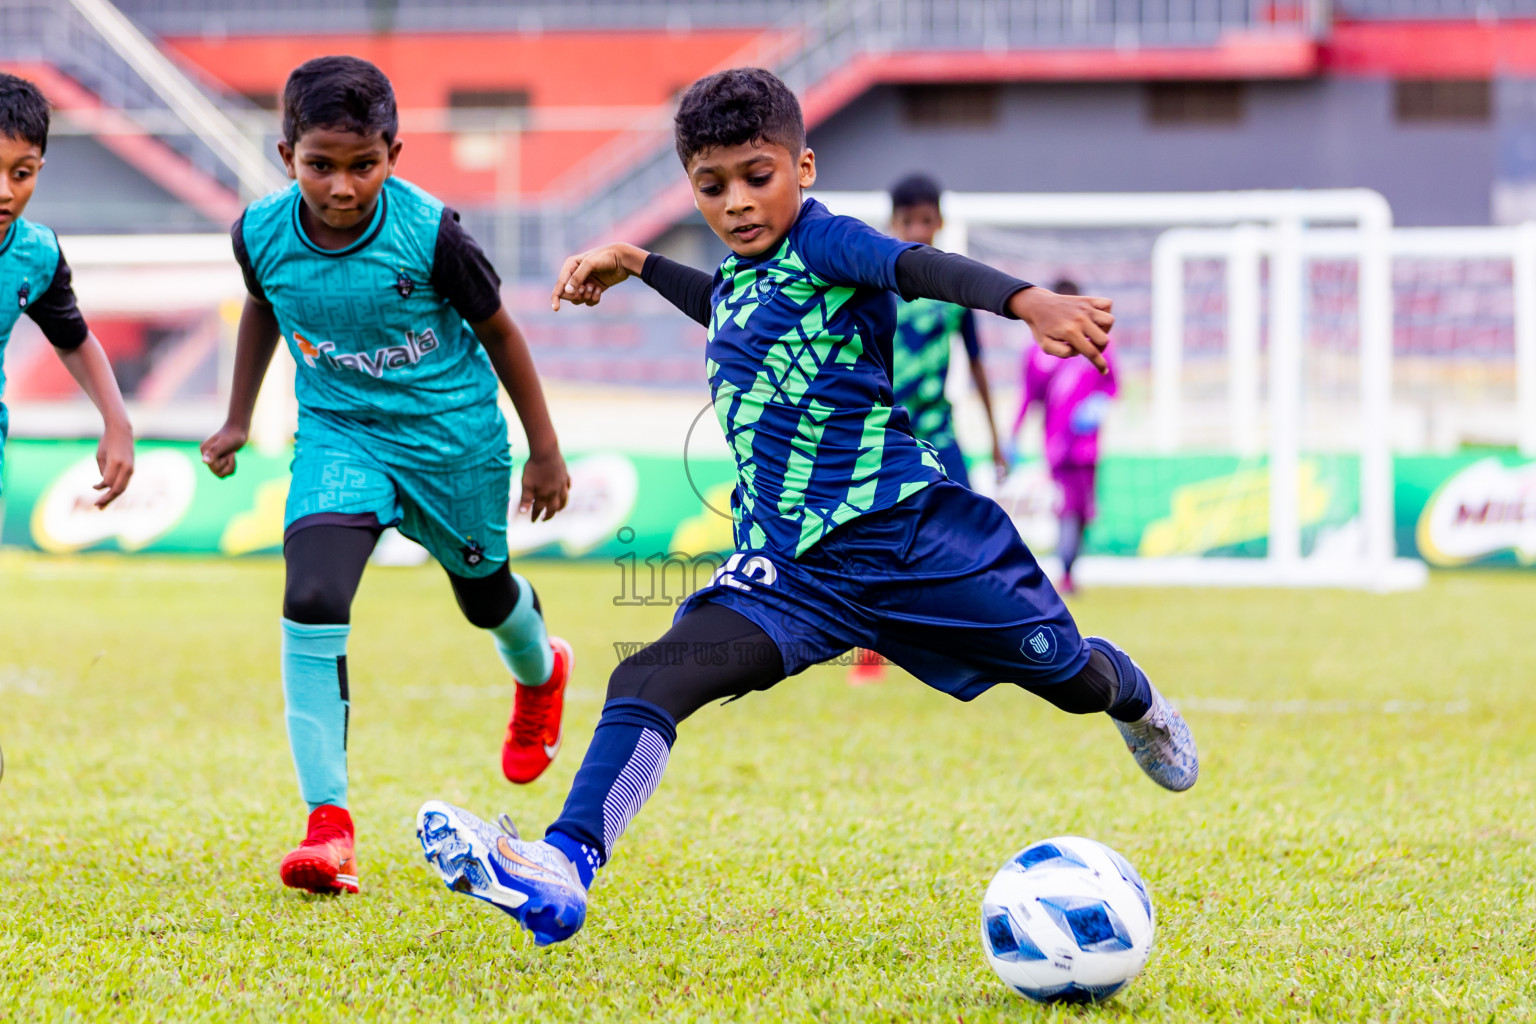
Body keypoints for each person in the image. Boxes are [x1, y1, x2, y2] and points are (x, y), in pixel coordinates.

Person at [413, 68, 1197, 947]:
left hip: (912, 544)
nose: (738, 203)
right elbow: (721, 302)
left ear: (805, 168)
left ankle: (1133, 697)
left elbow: (917, 266)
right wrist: (635, 262)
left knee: (1066, 678)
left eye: (758, 176)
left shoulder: (831, 245)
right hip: (792, 572)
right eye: (712, 187)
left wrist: (1027, 302)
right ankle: (563, 867)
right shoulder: (743, 279)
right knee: (650, 677)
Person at [199, 56, 573, 897]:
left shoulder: (431, 232)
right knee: (313, 596)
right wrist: (237, 415)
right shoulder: (257, 232)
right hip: (340, 434)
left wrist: (544, 450)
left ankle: (541, 670)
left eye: (362, 165)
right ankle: (327, 826)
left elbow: (504, 333)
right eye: (319, 165)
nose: (340, 186)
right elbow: (264, 302)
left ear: (394, 154)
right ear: (286, 151)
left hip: (452, 441)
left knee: (484, 597)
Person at [846, 173, 1010, 685]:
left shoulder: (951, 292)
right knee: (874, 541)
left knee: (969, 536)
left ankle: (982, 643)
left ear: (939, 222)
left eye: (926, 220)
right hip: (886, 436)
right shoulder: (874, 287)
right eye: (907, 221)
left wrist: (997, 438)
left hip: (940, 431)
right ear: (891, 223)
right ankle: (871, 648)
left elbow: (978, 365)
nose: (917, 230)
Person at [0, 74, 133, 511]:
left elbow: (73, 341)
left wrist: (117, 423)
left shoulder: (35, 255)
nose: (5, 192)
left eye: (20, 174)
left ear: (39, 168)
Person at [1013, 278, 1117, 595]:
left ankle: (1072, 569)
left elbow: (1112, 384)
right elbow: (1029, 397)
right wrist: (1013, 434)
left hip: (1088, 447)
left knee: (1084, 510)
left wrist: (1098, 406)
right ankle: (1067, 573)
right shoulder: (1038, 353)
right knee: (1066, 508)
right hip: (1057, 447)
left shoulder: (1095, 344)